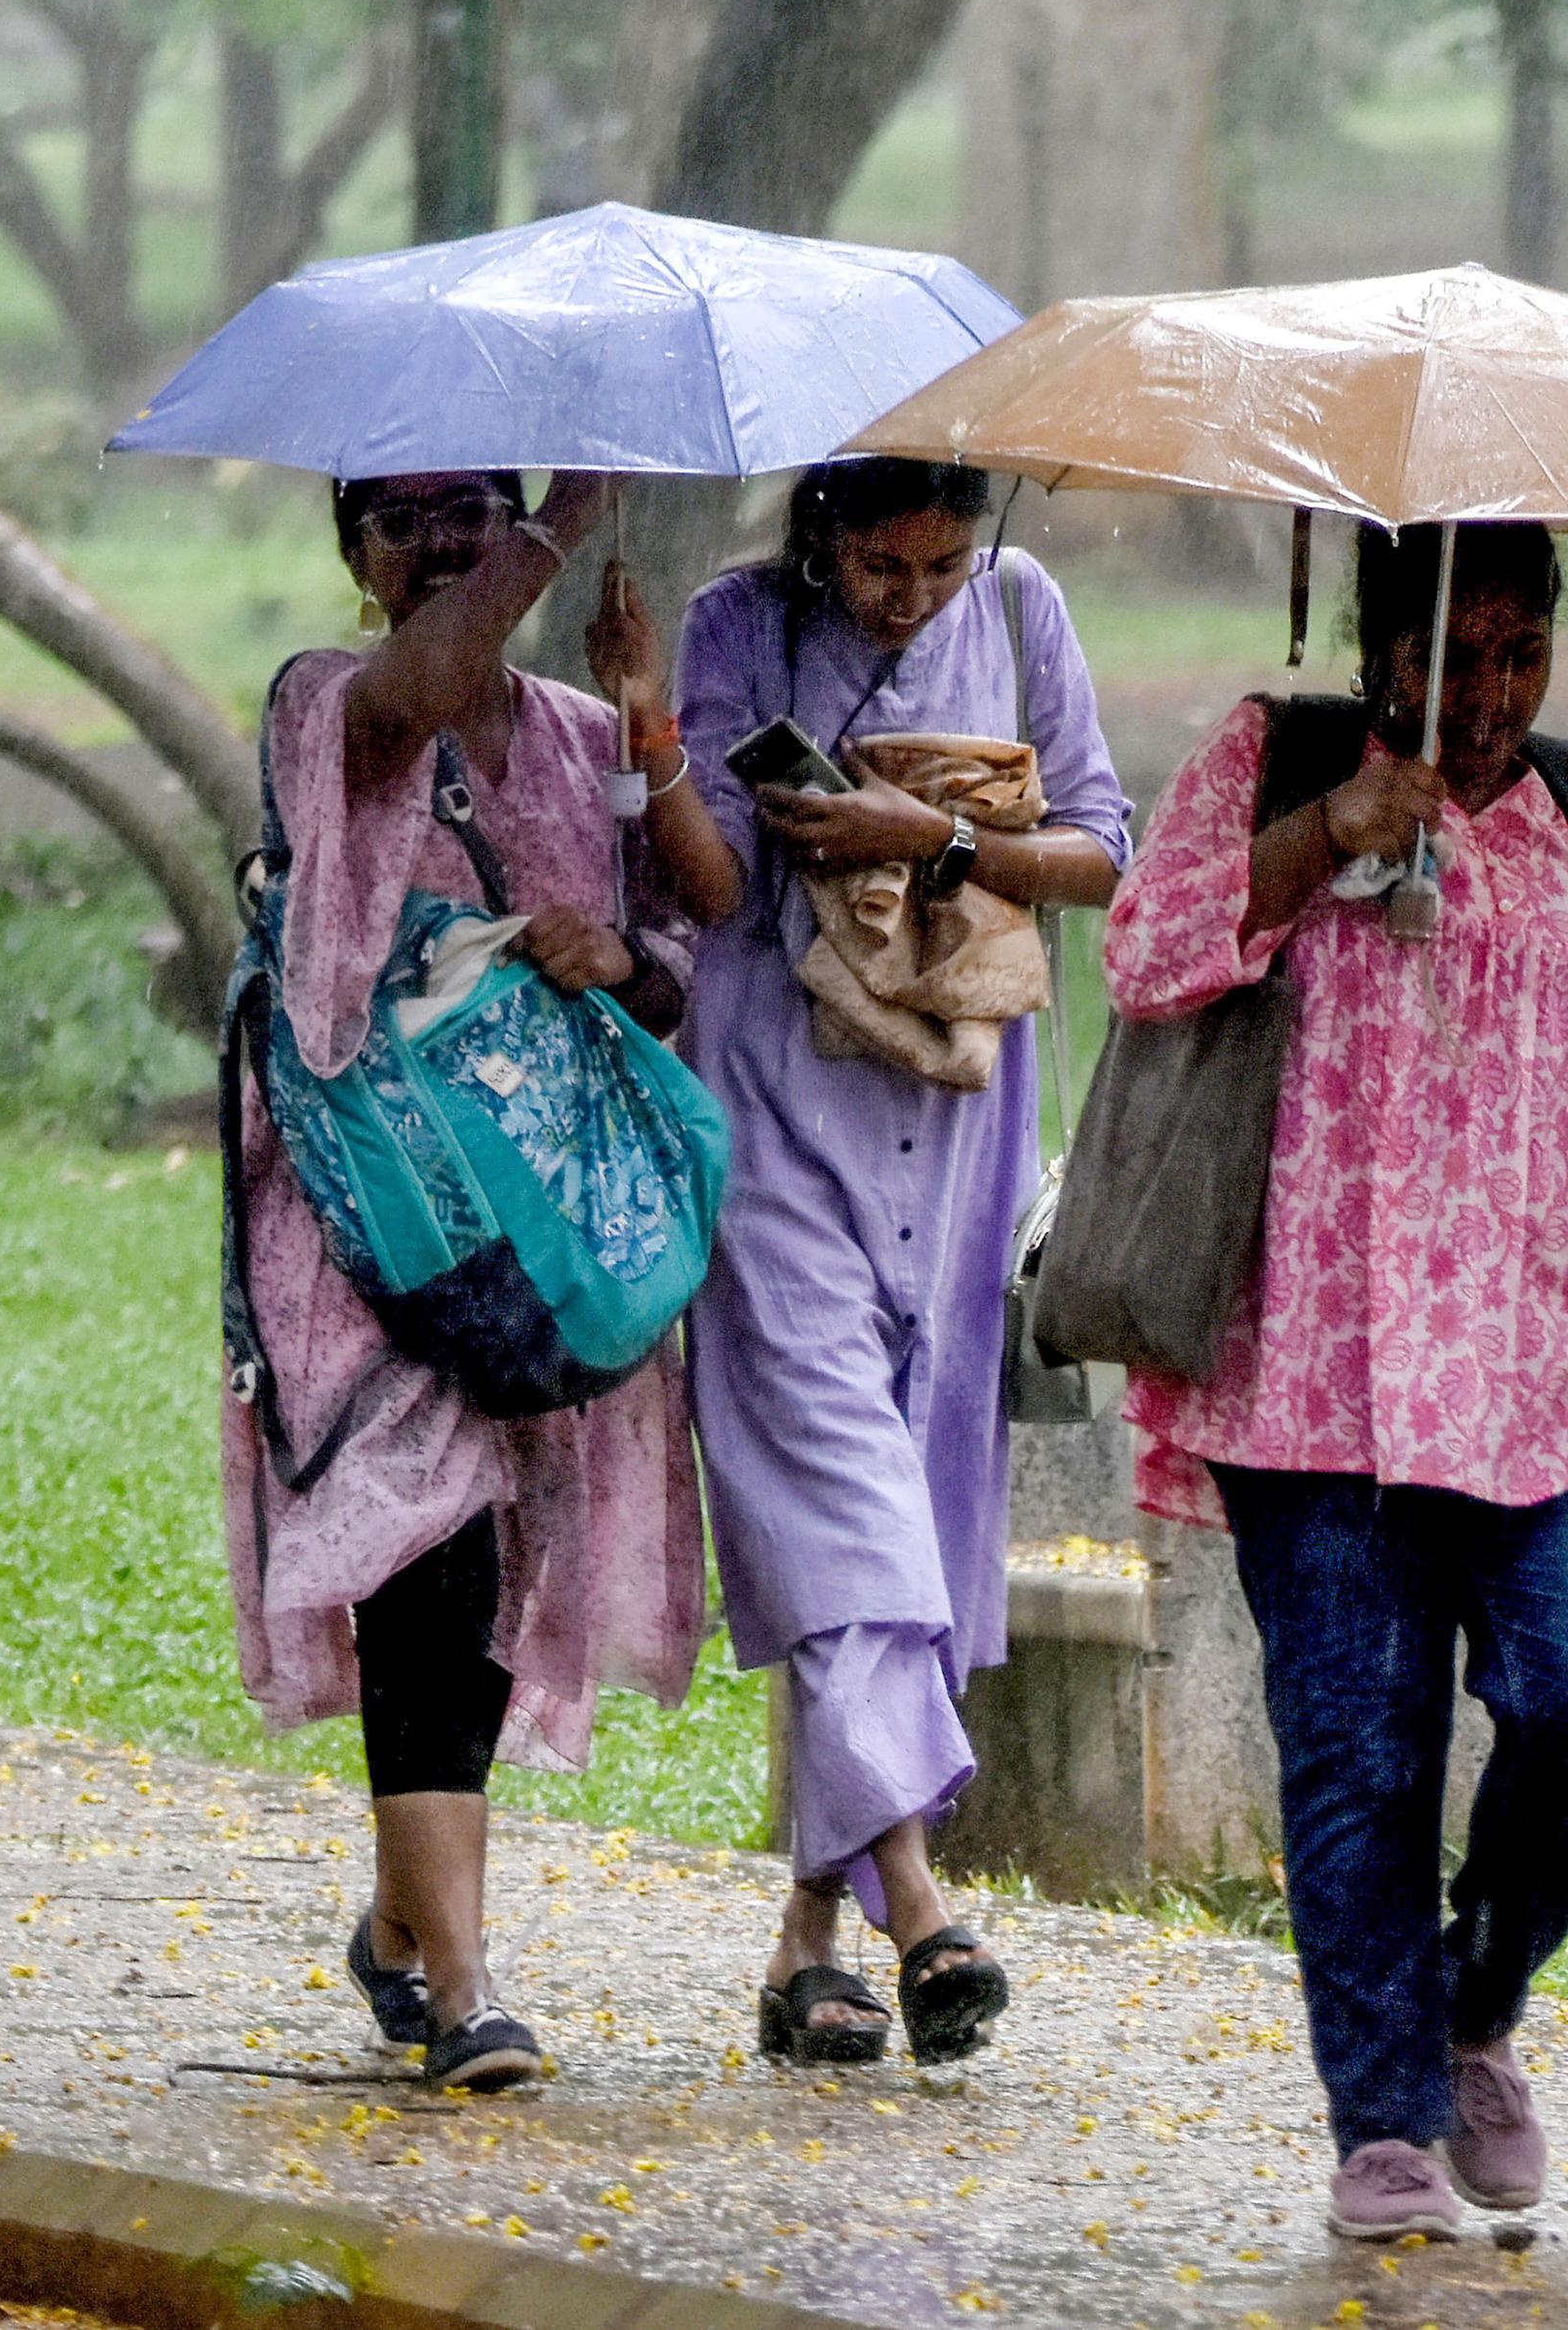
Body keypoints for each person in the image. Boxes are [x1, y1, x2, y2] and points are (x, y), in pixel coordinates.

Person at [1102, 521, 1568, 2245]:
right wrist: (1328, 831)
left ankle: (1477, 1998)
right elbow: (1148, 950)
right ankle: (1385, 2120)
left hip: (1541, 1373)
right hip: (1312, 1372)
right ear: (1376, 646)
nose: (1484, 698)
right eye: (1448, 657)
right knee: (1356, 1752)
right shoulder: (1279, 759)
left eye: (1517, 654)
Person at [595, 457, 1129, 2068]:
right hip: (775, 1111)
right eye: (880, 566)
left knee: (908, 1507)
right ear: (820, 530)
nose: (910, 596)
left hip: (958, 1125)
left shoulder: (1027, 618)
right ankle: (918, 1903)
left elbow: (1105, 850)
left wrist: (939, 841)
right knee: (837, 1499)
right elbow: (708, 888)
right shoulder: (735, 624)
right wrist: (659, 738)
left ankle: (807, 1945)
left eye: (941, 565)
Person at [224, 466, 708, 2092]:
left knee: (485, 1580)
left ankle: (401, 1923)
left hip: (529, 1244)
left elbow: (683, 964)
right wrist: (554, 522)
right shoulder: (324, 700)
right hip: (354, 1236)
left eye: (470, 507)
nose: (440, 542)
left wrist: (616, 955)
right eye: (402, 519)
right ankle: (470, 1991)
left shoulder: (578, 734)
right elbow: (427, 682)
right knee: (414, 1563)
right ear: (351, 554)